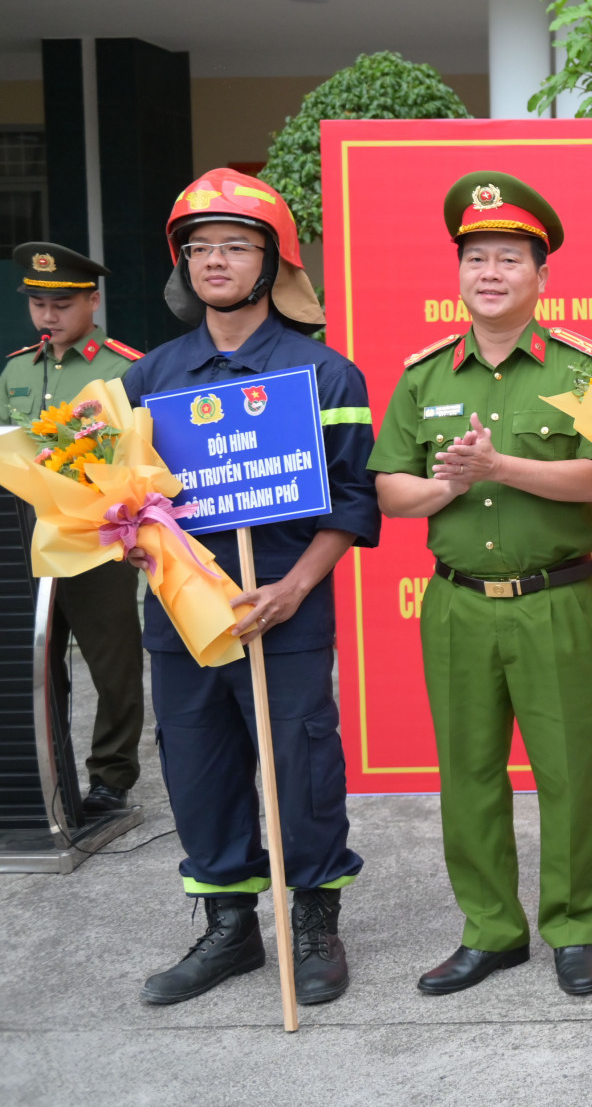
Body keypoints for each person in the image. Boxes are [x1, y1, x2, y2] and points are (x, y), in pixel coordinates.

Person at [122, 170, 380, 1007]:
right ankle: (229, 928)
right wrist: (126, 535)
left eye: (236, 245)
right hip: (183, 620)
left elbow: (352, 500)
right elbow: (122, 500)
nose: (216, 261)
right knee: (196, 768)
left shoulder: (326, 375)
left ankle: (313, 921)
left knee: (303, 770)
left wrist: (296, 587)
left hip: (285, 615)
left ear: (274, 261)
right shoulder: (147, 379)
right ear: (181, 265)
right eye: (200, 248)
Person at [369, 172, 592, 998]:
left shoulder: (585, 366)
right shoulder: (423, 375)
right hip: (456, 604)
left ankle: (575, 926)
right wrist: (451, 483)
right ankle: (491, 928)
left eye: (509, 259)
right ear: (459, 272)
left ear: (541, 276)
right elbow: (389, 492)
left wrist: (499, 465)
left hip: (556, 600)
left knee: (570, 770)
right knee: (468, 772)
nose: (490, 272)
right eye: (476, 257)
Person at [4, 242, 146, 817]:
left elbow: (141, 459)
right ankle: (50, 772)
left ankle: (111, 778)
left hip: (95, 539)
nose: (48, 315)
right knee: (35, 661)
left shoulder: (124, 368)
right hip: (25, 539)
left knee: (111, 661)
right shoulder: (16, 368)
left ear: (93, 300)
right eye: (38, 303)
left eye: (61, 303)